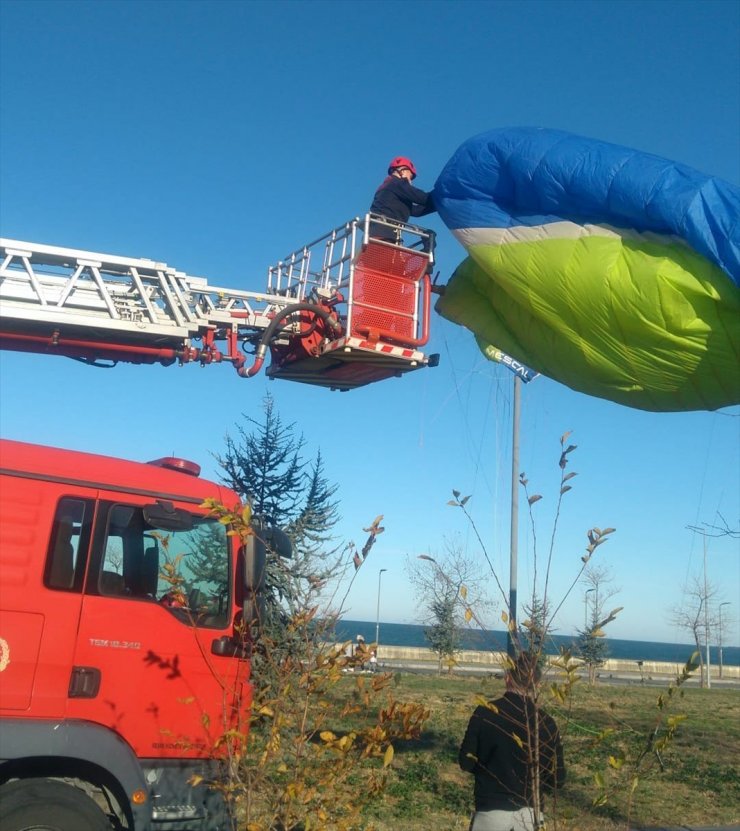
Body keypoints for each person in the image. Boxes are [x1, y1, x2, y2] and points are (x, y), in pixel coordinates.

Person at [458, 653, 565, 831]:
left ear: (507, 678)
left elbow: (466, 762)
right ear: (537, 685)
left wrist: (488, 773)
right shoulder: (546, 724)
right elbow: (558, 779)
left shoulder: (485, 713)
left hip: (491, 810)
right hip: (531, 815)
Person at [369, 156, 436, 243]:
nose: (410, 182)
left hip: (381, 236)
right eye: (410, 177)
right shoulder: (397, 183)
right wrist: (441, 195)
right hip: (384, 237)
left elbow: (416, 211)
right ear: (402, 171)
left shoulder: (388, 188)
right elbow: (423, 198)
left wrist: (436, 205)